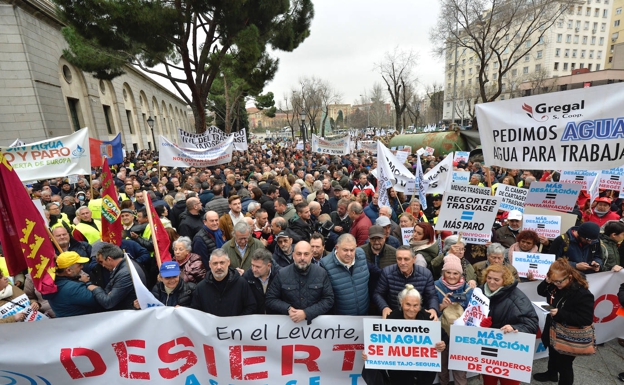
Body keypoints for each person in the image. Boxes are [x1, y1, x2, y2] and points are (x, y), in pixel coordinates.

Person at [362, 284, 446, 385]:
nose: (411, 309)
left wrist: (442, 344)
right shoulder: (391, 318)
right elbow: (380, 343)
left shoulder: (428, 318)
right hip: (399, 376)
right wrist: (370, 353)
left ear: (420, 305)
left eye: (415, 305)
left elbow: (444, 337)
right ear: (401, 303)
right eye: (408, 304)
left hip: (424, 375)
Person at [534, 258, 594, 385]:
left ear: (570, 276)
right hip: (553, 327)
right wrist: (547, 281)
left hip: (568, 335)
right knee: (552, 353)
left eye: (559, 281)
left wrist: (560, 313)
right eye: (553, 281)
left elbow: (586, 319)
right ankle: (551, 374)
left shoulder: (582, 293)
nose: (556, 284)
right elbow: (540, 291)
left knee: (565, 365)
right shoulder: (554, 284)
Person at [479, 264, 539, 385]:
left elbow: (532, 324)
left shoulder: (517, 298)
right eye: (489, 278)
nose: (491, 282)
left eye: (496, 279)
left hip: (509, 351)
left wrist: (514, 327)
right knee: (488, 381)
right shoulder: (479, 292)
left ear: (505, 280)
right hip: (488, 349)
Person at [265, 241, 334, 324]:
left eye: (306, 254)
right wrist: (287, 308)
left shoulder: (321, 273)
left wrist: (306, 313)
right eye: (299, 254)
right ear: (293, 255)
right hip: (289, 327)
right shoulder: (282, 274)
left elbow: (328, 300)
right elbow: (270, 299)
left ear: (311, 255)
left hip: (315, 329)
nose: (302, 258)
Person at [373, 245, 439, 320]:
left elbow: (431, 296)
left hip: (417, 316)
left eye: (406, 259)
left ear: (414, 259)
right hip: (394, 316)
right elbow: (378, 294)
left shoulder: (426, 274)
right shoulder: (387, 272)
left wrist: (433, 308)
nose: (402, 262)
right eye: (399, 259)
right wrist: (384, 307)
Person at [435, 255, 472, 385]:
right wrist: (441, 306)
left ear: (460, 274)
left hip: (461, 334)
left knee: (460, 369)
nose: (451, 276)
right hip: (441, 332)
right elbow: (430, 309)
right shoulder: (435, 287)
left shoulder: (468, 289)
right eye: (448, 272)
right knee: (442, 366)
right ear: (443, 273)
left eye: (455, 273)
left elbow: (473, 310)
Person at [190, 249, 256, 316]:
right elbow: (195, 312)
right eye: (215, 263)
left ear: (228, 262)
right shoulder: (201, 288)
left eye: (222, 263)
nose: (219, 267)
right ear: (209, 264)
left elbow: (251, 307)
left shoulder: (241, 284)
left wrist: (237, 322)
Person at [320, 234, 370, 315]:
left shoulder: (361, 254)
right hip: (342, 319)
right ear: (337, 248)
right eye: (345, 250)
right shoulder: (325, 264)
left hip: (364, 315)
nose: (349, 254)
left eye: (352, 250)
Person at [87, 244, 146, 311]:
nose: (102, 265)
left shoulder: (125, 273)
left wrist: (95, 288)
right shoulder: (127, 265)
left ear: (109, 259)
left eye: (102, 262)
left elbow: (108, 302)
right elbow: (107, 291)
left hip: (129, 313)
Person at [43, 251, 102, 317]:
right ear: (68, 271)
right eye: (79, 265)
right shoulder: (72, 288)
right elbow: (101, 300)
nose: (82, 267)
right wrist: (88, 283)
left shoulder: (53, 285)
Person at [242, 249, 280, 314]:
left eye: (258, 267)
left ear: (268, 266)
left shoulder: (280, 275)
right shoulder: (247, 277)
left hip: (276, 318)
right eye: (252, 265)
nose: (254, 269)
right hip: (256, 318)